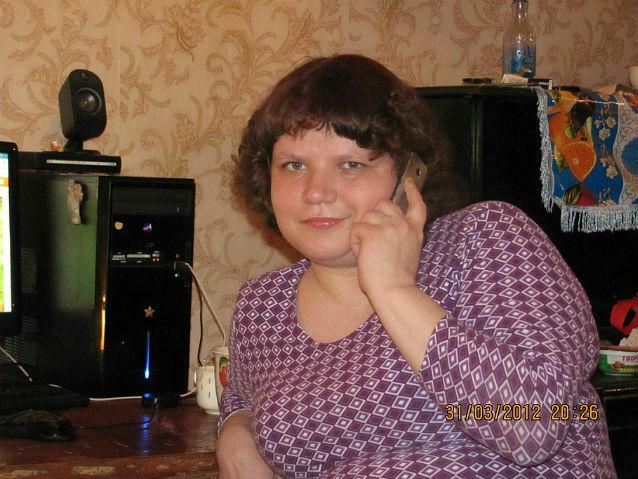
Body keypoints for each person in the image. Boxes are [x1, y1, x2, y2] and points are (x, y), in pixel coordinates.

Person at [216, 54, 616, 479]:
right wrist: (235, 429)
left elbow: (534, 422)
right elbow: (242, 395)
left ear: (411, 172)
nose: (316, 192)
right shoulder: (262, 307)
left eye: (351, 164)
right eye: (294, 165)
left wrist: (393, 290)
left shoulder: (484, 240)